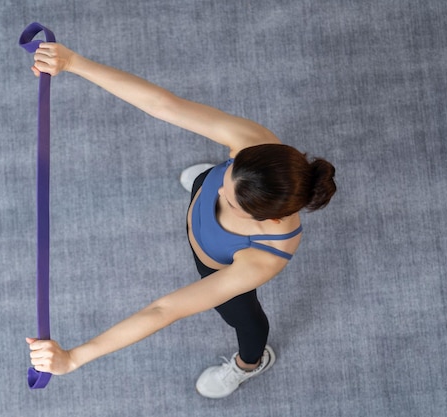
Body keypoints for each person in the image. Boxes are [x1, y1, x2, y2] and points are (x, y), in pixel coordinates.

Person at [26, 42, 337, 398]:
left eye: (232, 202)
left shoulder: (264, 256)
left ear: (268, 218)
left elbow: (164, 309)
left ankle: (250, 363)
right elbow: (164, 105)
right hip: (208, 214)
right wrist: (74, 62)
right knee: (206, 182)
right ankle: (214, 186)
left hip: (217, 266)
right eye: (230, 172)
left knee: (245, 320)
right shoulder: (255, 144)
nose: (219, 191)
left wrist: (74, 358)